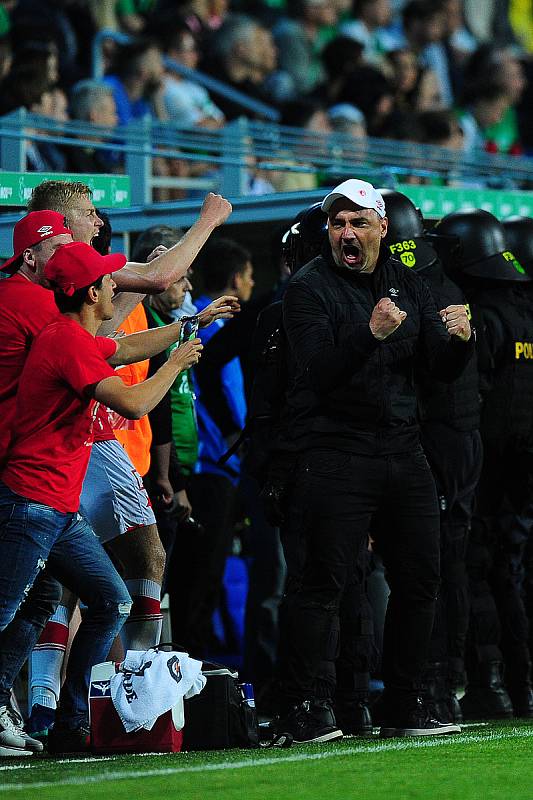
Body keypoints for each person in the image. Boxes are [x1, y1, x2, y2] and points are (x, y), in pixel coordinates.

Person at [274, 178, 473, 743]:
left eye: (358, 222)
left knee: (421, 578)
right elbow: (317, 374)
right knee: (324, 583)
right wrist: (368, 333)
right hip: (335, 451)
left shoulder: (408, 283)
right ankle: (304, 708)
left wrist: (461, 342)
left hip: (402, 449)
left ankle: (406, 704)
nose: (346, 234)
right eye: (337, 224)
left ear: (382, 229)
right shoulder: (307, 290)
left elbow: (436, 370)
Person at [0, 240, 203, 753]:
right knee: (5, 613)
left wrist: (190, 325)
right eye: (109, 279)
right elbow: (134, 403)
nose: (117, 284)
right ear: (92, 293)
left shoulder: (74, 334)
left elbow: (131, 348)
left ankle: (70, 719)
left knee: (110, 600)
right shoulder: (65, 342)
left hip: (58, 509)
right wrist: (176, 363)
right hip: (31, 503)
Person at [379, 189, 482, 723]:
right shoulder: (447, 279)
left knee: (429, 567)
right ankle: (452, 680)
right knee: (452, 563)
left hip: (431, 439)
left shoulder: (404, 288)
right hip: (465, 435)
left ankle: (436, 683)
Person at [435, 209, 533, 719]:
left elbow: (471, 396)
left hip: (484, 468)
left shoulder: (478, 317)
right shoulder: (525, 314)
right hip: (524, 471)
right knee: (512, 575)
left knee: (477, 574)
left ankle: (487, 682)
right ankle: (523, 686)